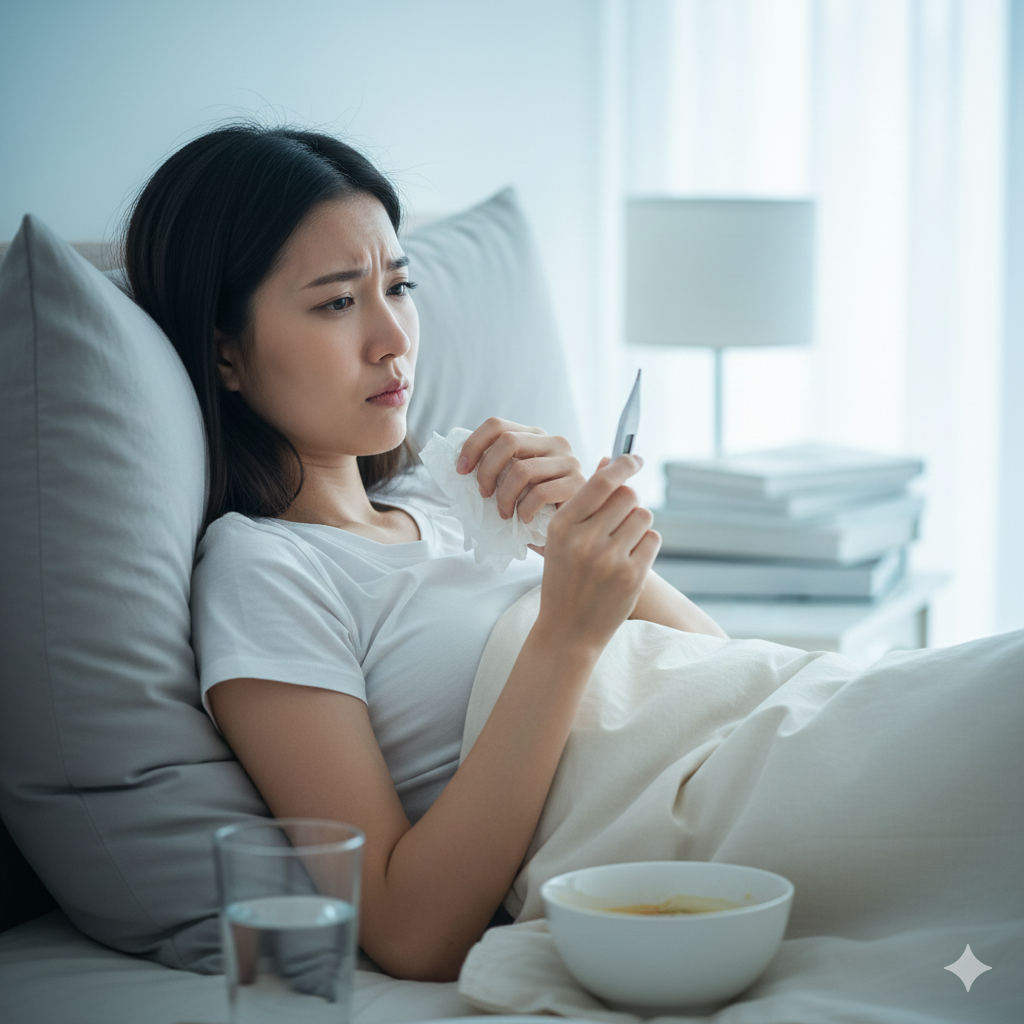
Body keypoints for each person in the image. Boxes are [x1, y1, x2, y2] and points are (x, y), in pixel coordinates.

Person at [124, 123, 726, 982]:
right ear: (226, 353)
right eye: (338, 303)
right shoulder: (266, 571)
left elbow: (728, 675)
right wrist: (565, 634)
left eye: (399, 287)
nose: (393, 339)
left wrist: (582, 536)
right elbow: (410, 932)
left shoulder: (452, 495)